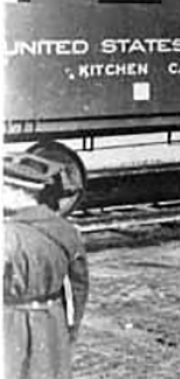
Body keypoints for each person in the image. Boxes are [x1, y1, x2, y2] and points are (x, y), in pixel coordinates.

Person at [3, 152, 89, 379]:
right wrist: (70, 328)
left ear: (15, 192)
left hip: (9, 324)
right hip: (51, 321)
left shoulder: (7, 234)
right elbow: (78, 288)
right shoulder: (67, 231)